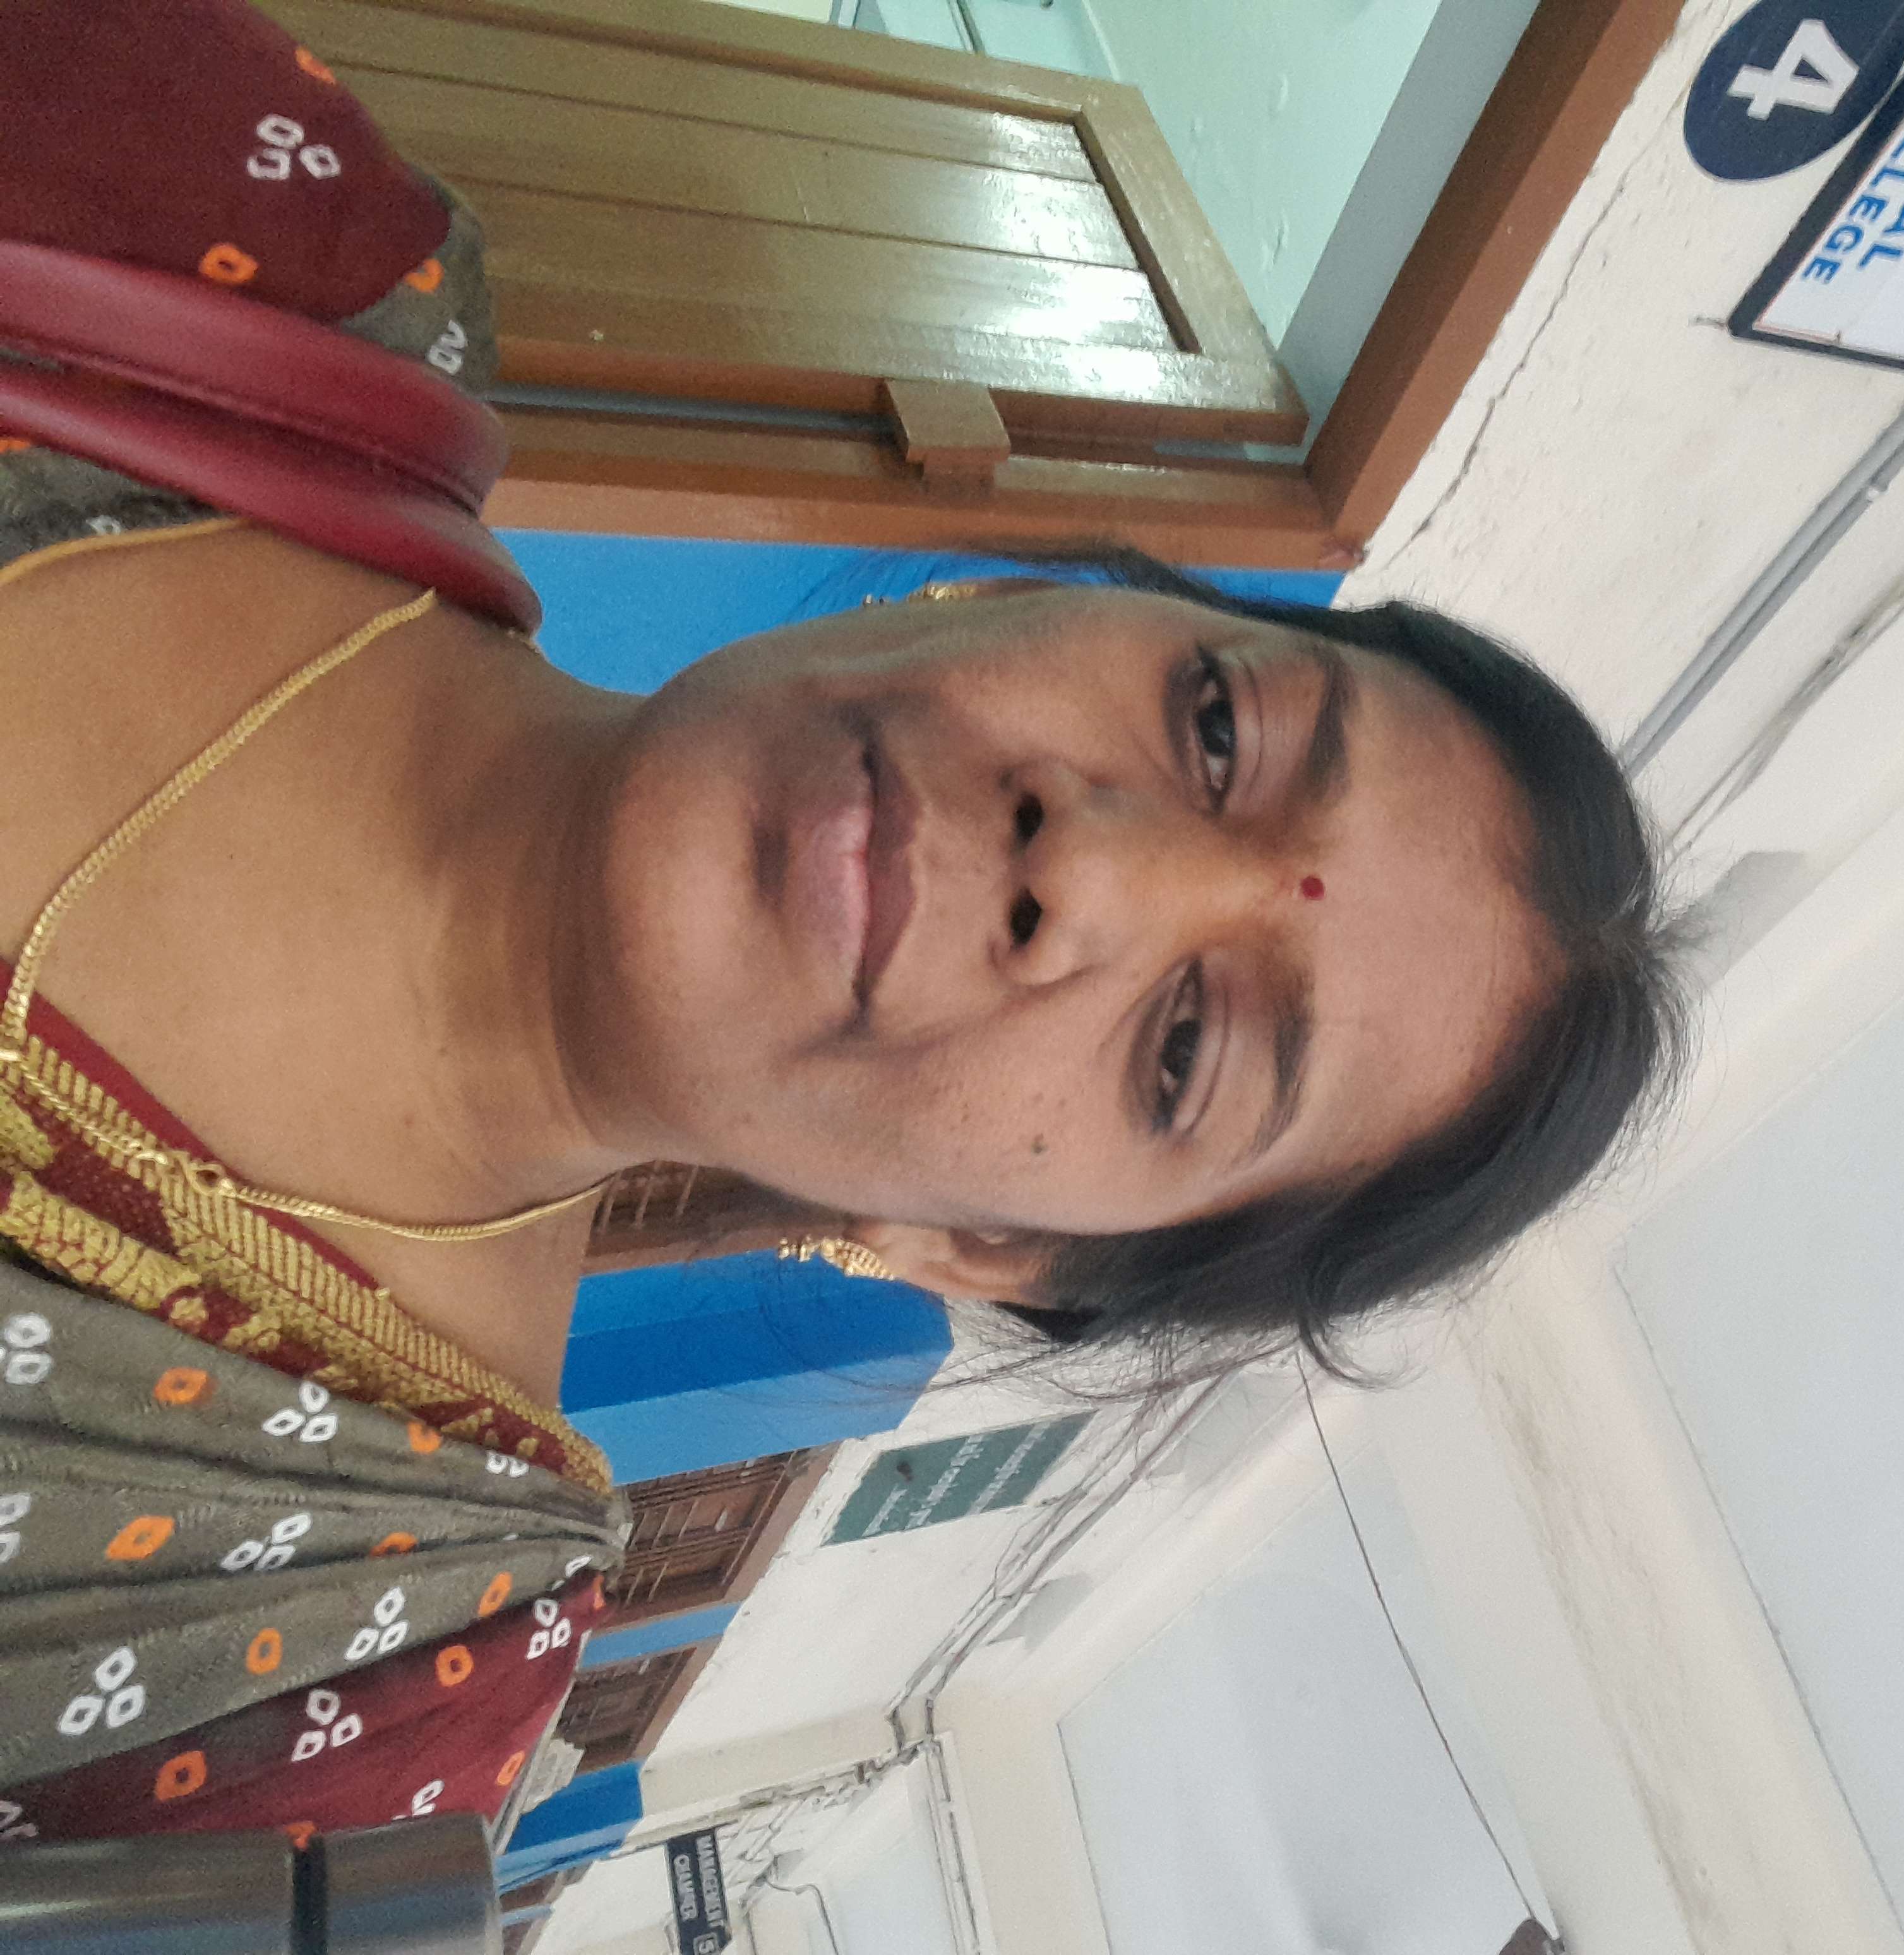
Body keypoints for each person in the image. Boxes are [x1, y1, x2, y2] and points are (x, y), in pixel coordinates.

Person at [0, 0, 1680, 1844]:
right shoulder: (257, 252)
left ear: (985, 1247)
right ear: (1008, 586)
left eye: (1190, 1050)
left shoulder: (349, 1693)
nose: (1087, 873)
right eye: (1218, 727)